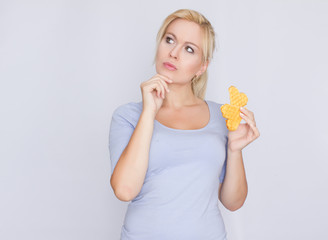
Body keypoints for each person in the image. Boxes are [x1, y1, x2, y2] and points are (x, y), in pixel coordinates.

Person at [109, 9, 260, 240]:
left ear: (202, 67)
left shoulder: (222, 117)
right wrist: (149, 112)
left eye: (189, 49)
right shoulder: (127, 116)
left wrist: (234, 150)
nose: (173, 53)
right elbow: (125, 190)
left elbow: (233, 202)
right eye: (169, 40)